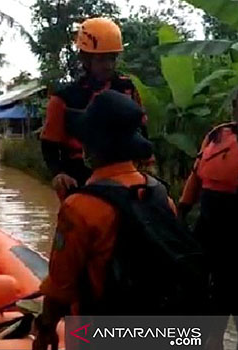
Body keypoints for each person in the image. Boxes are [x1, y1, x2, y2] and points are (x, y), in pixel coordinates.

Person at [33, 90, 178, 350]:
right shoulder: (162, 197)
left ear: (92, 146)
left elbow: (60, 287)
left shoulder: (80, 207)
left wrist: (45, 328)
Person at [178, 80, 238, 350]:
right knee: (204, 282)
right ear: (236, 104)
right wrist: (183, 208)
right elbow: (196, 175)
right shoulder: (216, 135)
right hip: (209, 221)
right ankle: (213, 338)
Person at [40, 17, 148, 202]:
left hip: (121, 171)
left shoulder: (127, 89)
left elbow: (141, 130)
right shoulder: (64, 97)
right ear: (85, 59)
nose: (108, 65)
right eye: (101, 59)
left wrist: (147, 167)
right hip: (78, 174)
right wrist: (58, 174)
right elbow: (49, 144)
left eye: (112, 58)